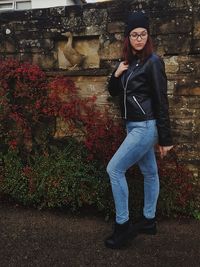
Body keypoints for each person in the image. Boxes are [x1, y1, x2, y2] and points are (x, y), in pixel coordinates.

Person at [105, 11, 173, 249]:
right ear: (128, 37)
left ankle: (122, 227)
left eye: (143, 33)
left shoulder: (153, 62)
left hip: (145, 126)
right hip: (132, 126)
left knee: (114, 169)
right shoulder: (127, 63)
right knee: (150, 173)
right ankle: (149, 220)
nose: (139, 38)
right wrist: (117, 73)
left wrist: (165, 138)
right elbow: (113, 91)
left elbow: (161, 100)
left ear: (148, 36)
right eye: (134, 34)